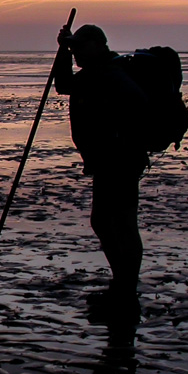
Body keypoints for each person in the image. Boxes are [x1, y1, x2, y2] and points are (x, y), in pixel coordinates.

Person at [54, 24, 148, 320]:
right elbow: (64, 84)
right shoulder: (94, 74)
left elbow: (137, 106)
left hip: (121, 161)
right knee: (105, 222)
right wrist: (62, 51)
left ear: (97, 45)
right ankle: (121, 283)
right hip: (106, 163)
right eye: (73, 48)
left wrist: (118, 138)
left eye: (80, 47)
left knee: (121, 224)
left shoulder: (113, 74)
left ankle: (126, 289)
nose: (76, 52)